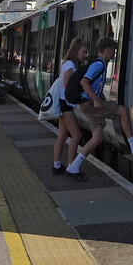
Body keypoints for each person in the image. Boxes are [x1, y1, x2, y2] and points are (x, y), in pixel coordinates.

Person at [65, 37, 133, 181]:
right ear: (108, 50)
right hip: (89, 103)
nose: (114, 54)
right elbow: (84, 82)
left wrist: (99, 99)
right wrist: (96, 100)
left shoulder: (98, 64)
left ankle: (73, 166)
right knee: (123, 111)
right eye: (113, 51)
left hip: (86, 104)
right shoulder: (99, 65)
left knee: (97, 137)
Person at [51, 38, 87, 176]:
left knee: (62, 135)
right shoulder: (70, 65)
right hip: (65, 103)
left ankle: (57, 165)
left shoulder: (67, 64)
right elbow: (66, 84)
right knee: (76, 135)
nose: (85, 55)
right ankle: (72, 167)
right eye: (83, 52)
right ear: (76, 51)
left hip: (63, 103)